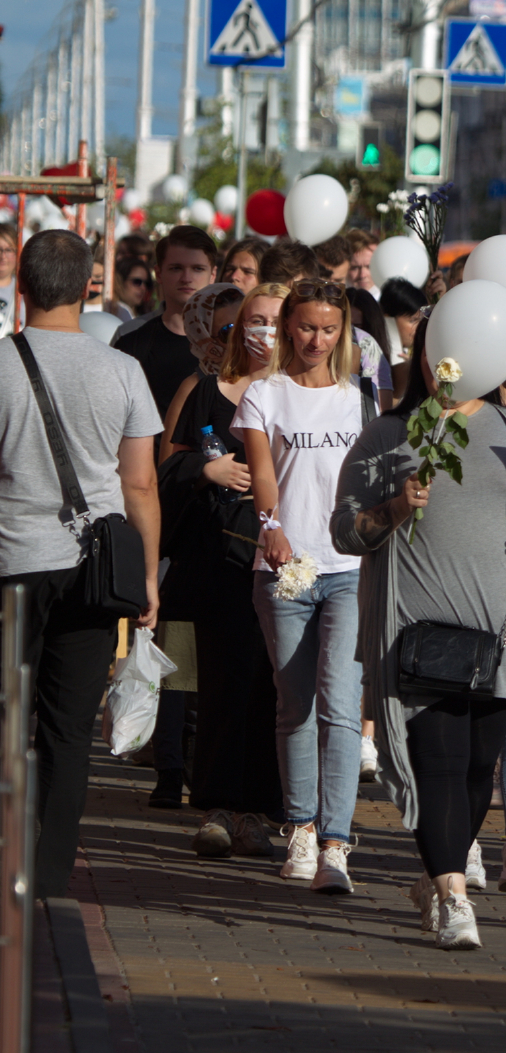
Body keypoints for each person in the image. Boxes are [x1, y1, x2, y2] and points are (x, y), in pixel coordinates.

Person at [332, 322, 506, 949]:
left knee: (482, 764)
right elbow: (346, 532)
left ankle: (438, 873)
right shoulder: (388, 435)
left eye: (456, 354)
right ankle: (454, 894)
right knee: (440, 763)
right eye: (431, 353)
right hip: (415, 631)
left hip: (505, 632)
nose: (442, 366)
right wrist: (395, 509)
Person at [0, 230, 162, 898]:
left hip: (11, 564)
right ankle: (50, 872)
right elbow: (141, 486)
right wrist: (148, 578)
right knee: (68, 730)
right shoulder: (121, 370)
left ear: (21, 287)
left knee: (10, 717)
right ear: (90, 287)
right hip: (93, 572)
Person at [233, 278, 377, 894]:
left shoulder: (361, 399)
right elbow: (262, 471)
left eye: (329, 329)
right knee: (295, 705)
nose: (316, 339)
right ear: (287, 327)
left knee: (342, 708)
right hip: (285, 566)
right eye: (306, 327)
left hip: (348, 569)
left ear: (342, 331)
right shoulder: (265, 394)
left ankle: (338, 842)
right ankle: (300, 826)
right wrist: (271, 526)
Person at [161, 282, 289, 855]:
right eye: (252, 320)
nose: (262, 330)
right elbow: (167, 464)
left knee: (271, 688)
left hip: (285, 561)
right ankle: (214, 806)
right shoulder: (207, 391)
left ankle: (260, 810)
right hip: (220, 560)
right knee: (220, 685)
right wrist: (203, 473)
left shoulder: (302, 394)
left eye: (273, 321)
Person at [114, 225, 219, 415]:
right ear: (159, 273)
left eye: (197, 269)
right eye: (176, 268)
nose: (186, 278)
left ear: (212, 275)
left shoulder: (233, 340)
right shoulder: (130, 338)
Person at [379, 278, 428, 400]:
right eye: (413, 320)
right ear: (388, 319)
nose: (419, 326)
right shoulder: (374, 358)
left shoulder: (422, 356)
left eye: (422, 320)